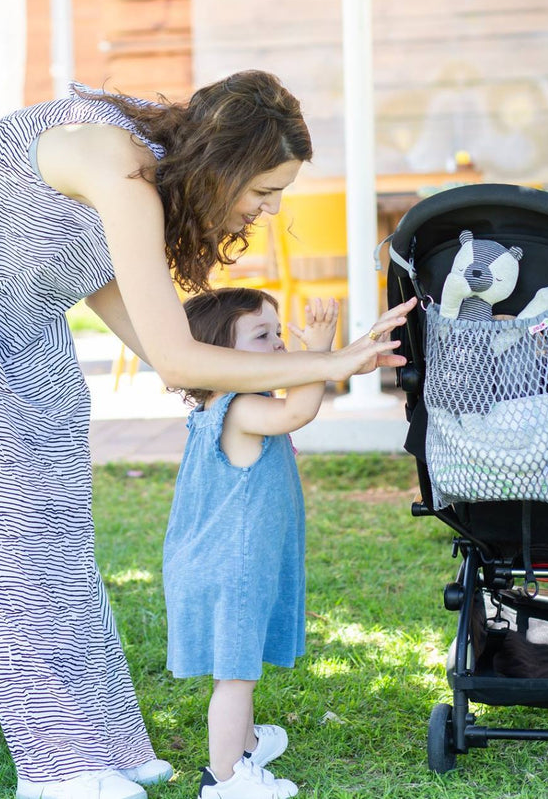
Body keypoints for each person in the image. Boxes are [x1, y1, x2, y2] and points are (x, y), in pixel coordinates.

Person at [0, 69, 416, 799]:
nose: (264, 211)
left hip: (17, 312)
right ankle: (56, 767)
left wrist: (301, 372)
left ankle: (104, 740)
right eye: (263, 191)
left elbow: (165, 351)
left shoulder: (144, 179)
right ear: (224, 165)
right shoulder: (123, 170)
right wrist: (336, 361)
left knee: (52, 529)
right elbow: (183, 354)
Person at [165, 288, 339, 799]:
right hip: (231, 565)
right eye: (262, 336)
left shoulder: (229, 404)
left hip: (224, 560)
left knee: (237, 667)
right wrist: (322, 350)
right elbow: (299, 411)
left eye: (278, 332)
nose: (280, 343)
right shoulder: (240, 407)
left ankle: (247, 746)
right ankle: (223, 781)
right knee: (235, 677)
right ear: (219, 356)